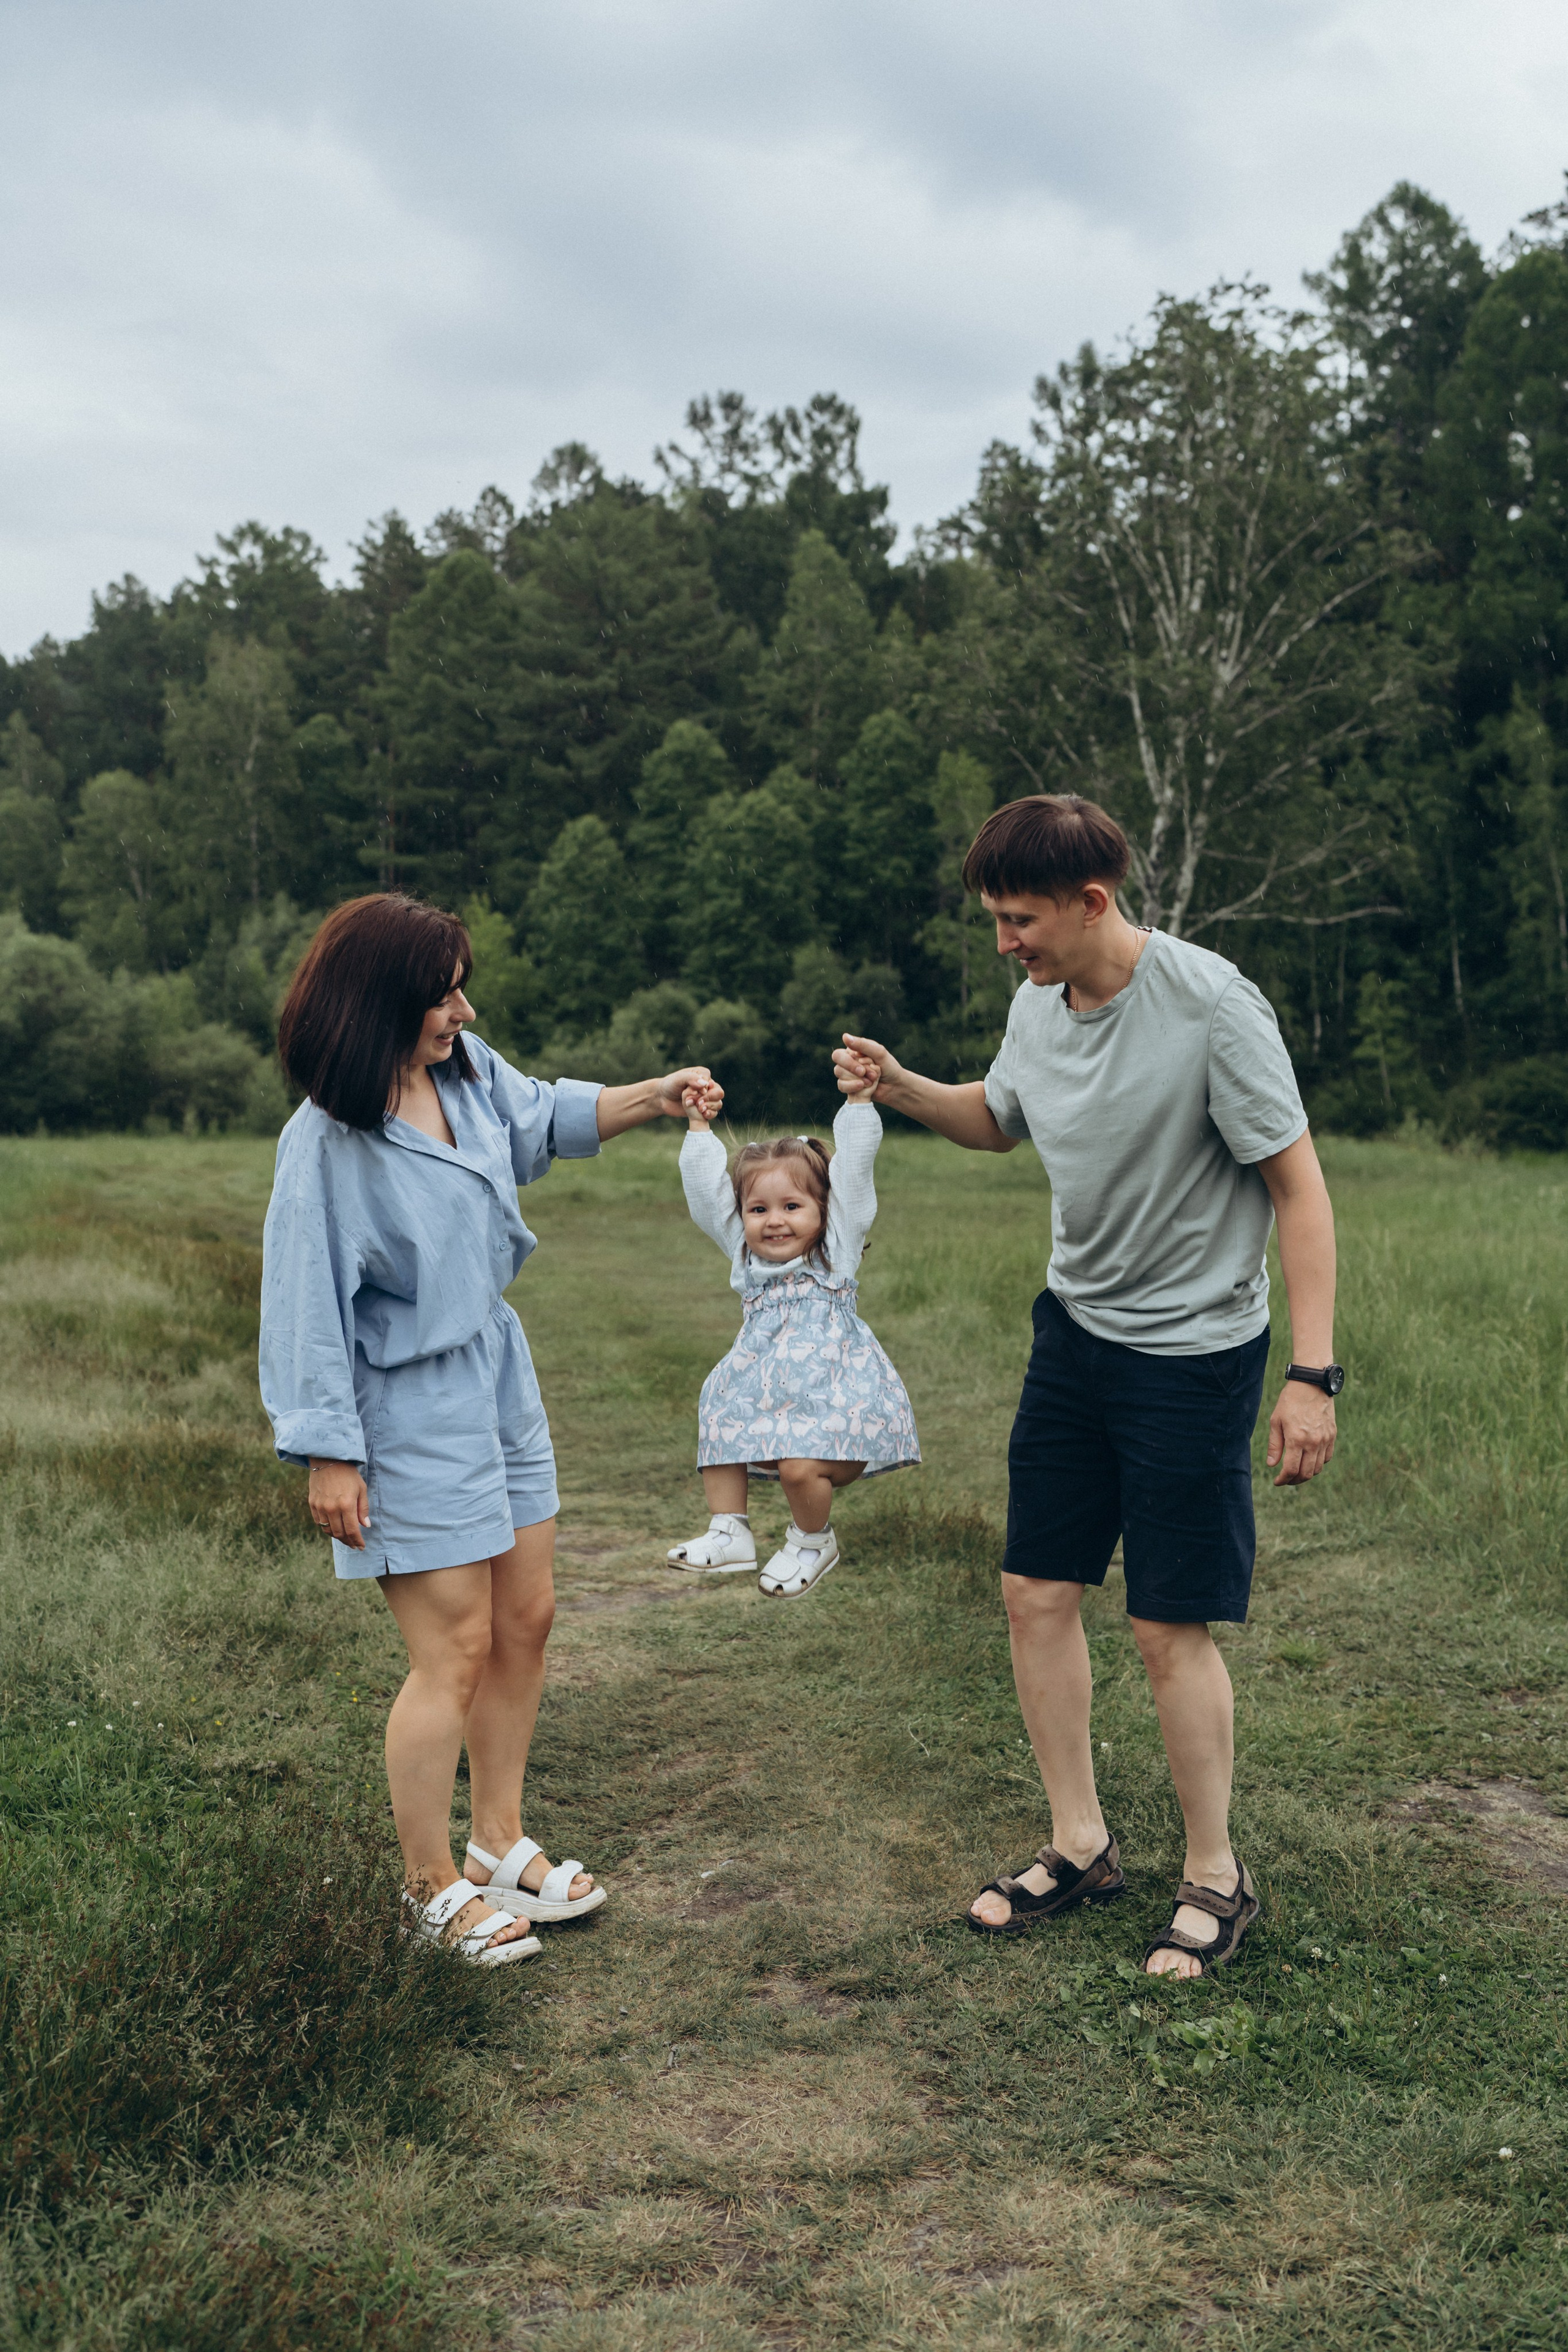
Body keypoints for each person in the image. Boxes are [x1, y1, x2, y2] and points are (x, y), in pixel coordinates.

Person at [834, 794, 1340, 1979]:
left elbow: (1300, 1194)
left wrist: (1311, 1375)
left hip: (1195, 1356)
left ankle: (1216, 1875)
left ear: (1092, 902)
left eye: (1020, 920)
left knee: (1168, 1625)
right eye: (998, 921)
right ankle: (1082, 1844)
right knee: (1034, 1593)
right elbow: (1000, 1122)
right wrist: (904, 1086)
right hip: (1076, 1338)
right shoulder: (1036, 1006)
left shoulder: (1213, 1007)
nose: (1005, 943)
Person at [259, 893, 717, 1967]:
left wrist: (653, 1095)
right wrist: (329, 1448)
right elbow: (304, 1303)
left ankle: (497, 1843)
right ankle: (427, 1888)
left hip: (495, 1377)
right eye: (441, 994)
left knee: (528, 1616)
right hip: (402, 1405)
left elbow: (542, 1116)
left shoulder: (459, 1072)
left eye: (461, 988)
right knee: (453, 1648)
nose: (461, 1009)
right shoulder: (324, 1144)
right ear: (382, 1005)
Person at [666, 1071, 920, 1597]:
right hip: (766, 1405)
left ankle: (811, 1540)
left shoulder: (836, 1252)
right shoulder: (746, 1259)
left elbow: (853, 1173)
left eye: (791, 1207)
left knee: (798, 1469)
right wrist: (697, 1128)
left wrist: (858, 1103)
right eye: (758, 1210)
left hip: (836, 1411)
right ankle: (729, 1528)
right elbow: (707, 1198)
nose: (774, 1222)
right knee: (718, 1405)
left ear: (824, 1211)